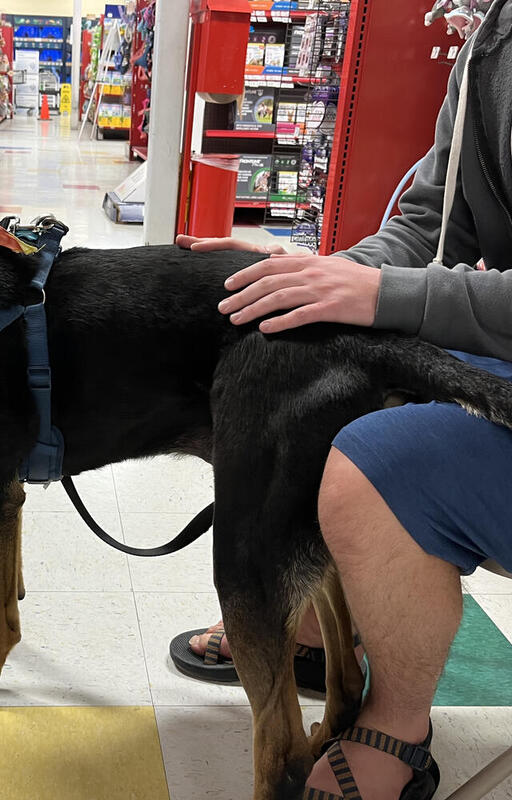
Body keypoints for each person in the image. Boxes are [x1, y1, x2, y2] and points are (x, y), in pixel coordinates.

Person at [172, 3, 512, 799]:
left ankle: (397, 720)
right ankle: (314, 625)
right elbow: (433, 225)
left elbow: (414, 275)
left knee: (371, 465)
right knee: (295, 378)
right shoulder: (494, 37)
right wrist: (320, 274)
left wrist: (383, 293)